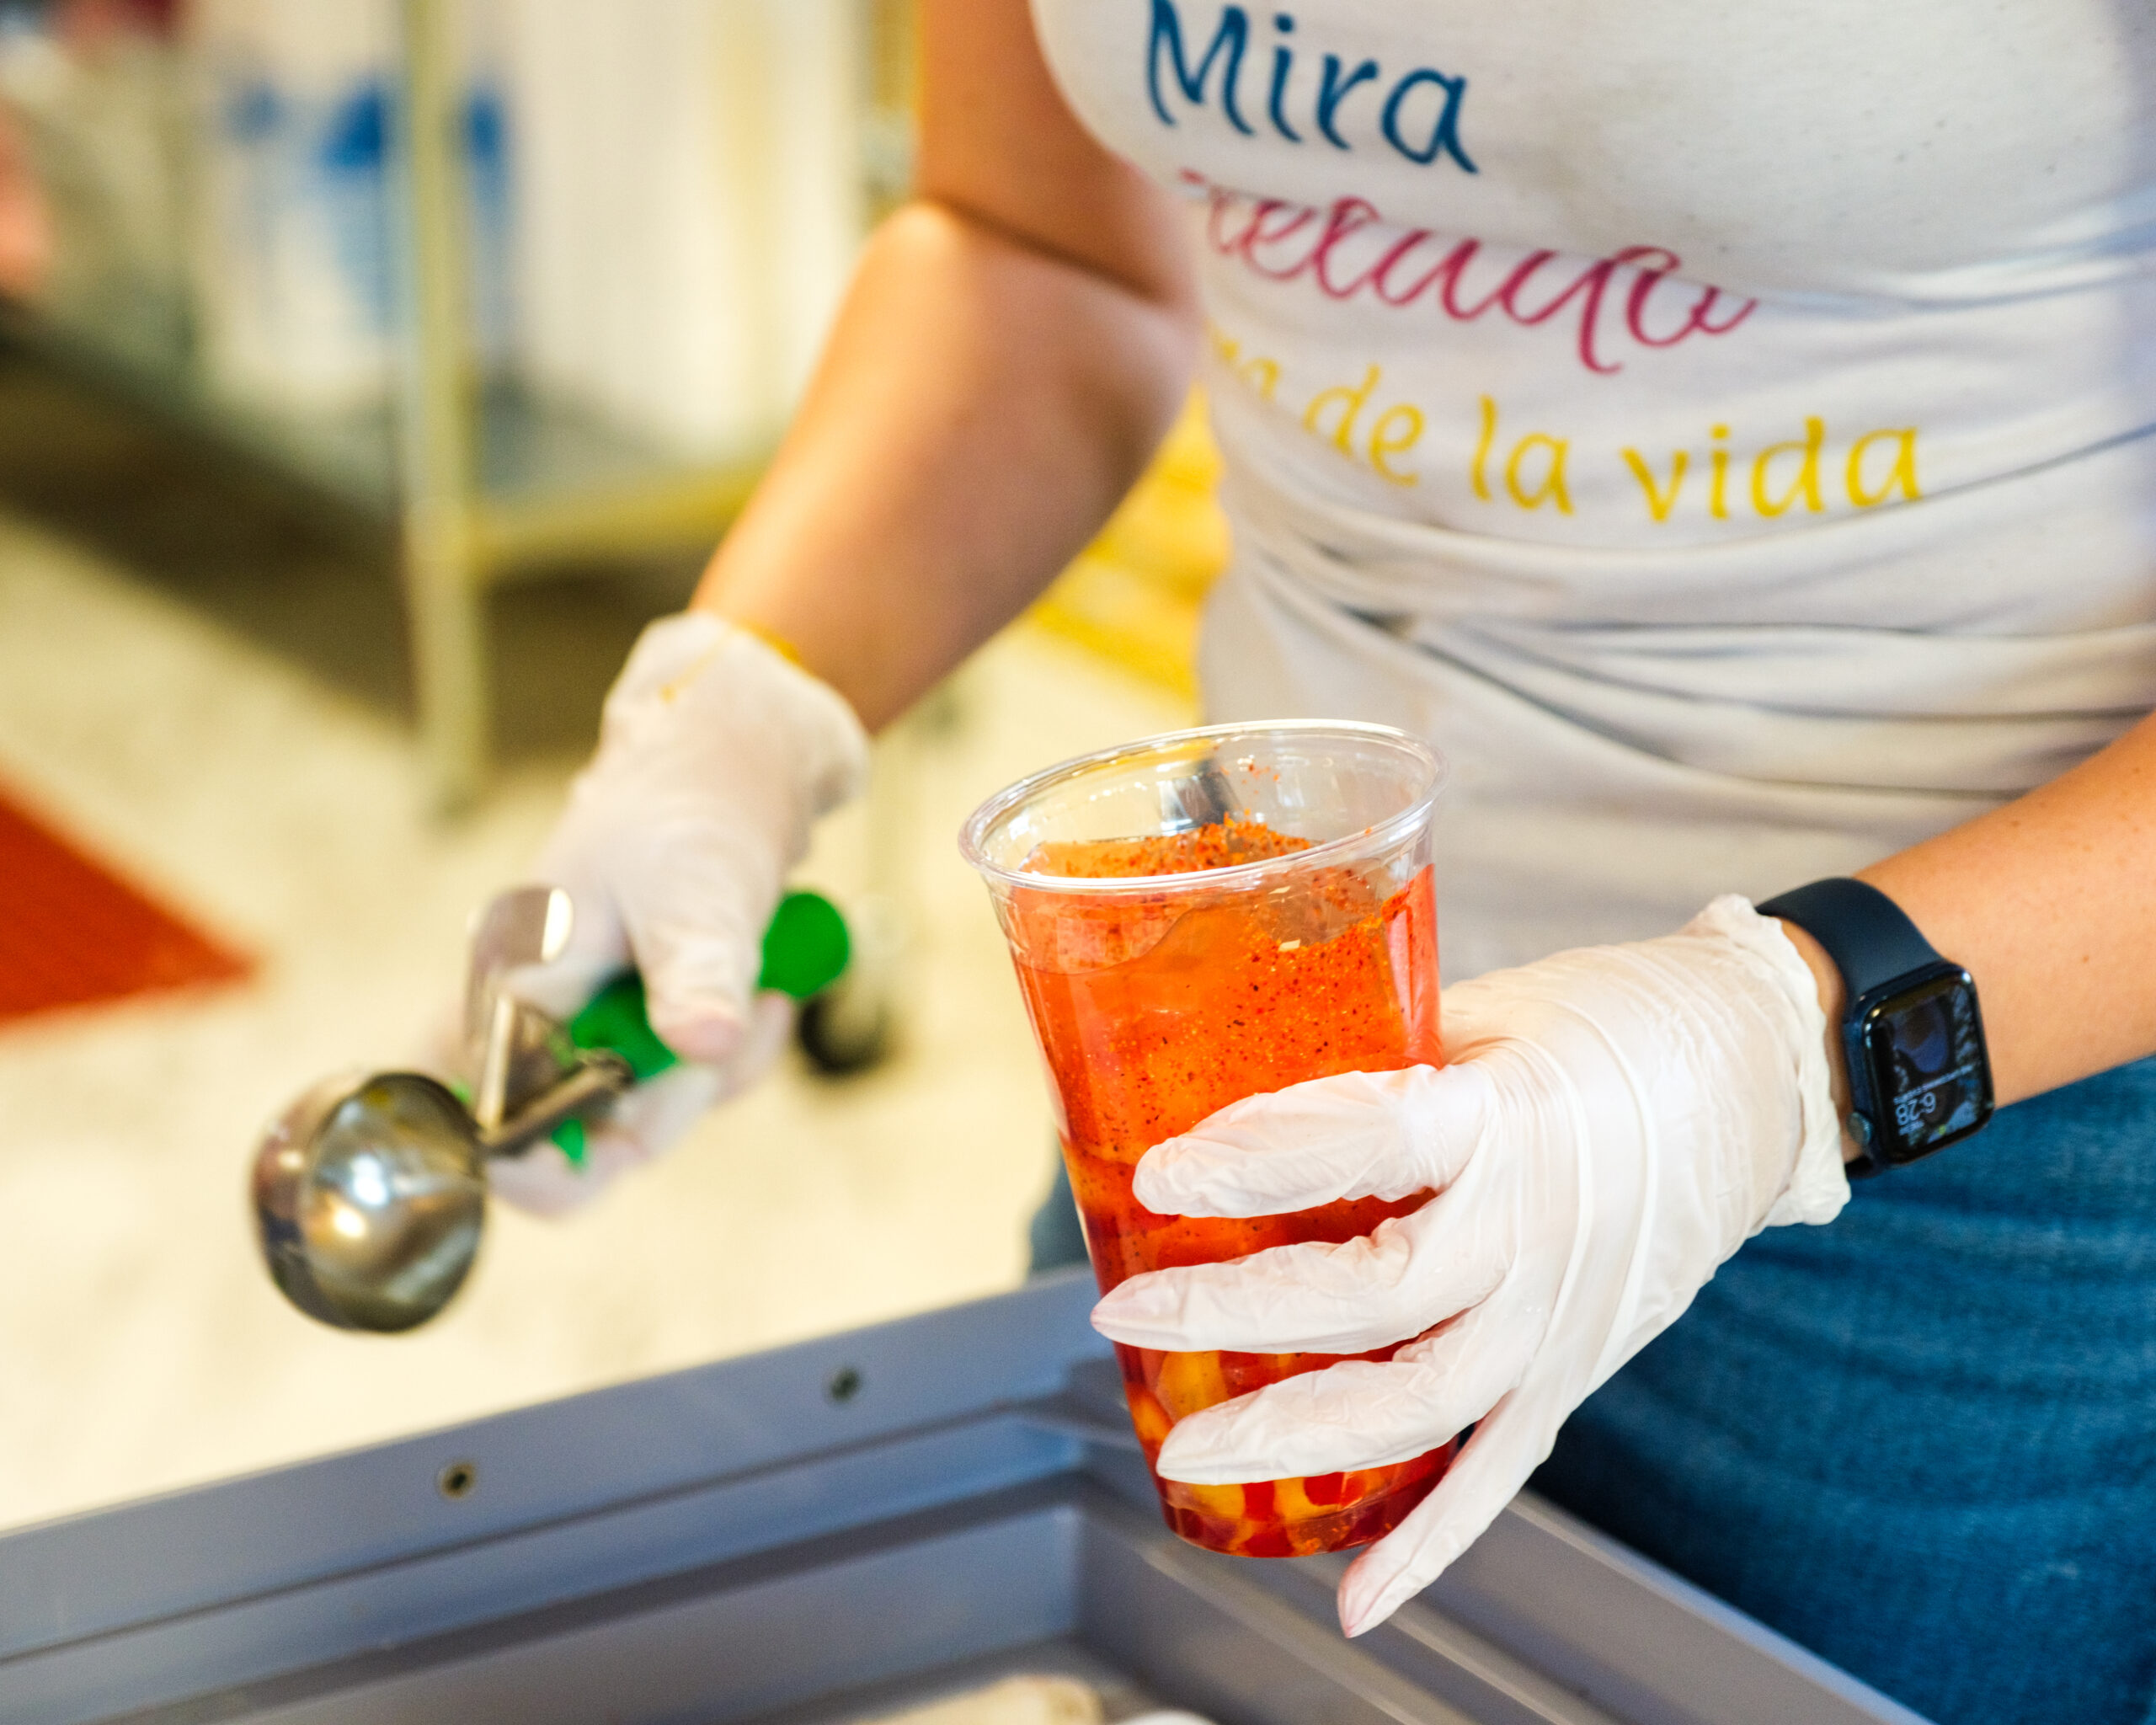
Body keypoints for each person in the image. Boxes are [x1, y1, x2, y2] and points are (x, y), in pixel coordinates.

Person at [489, 5, 2156, 1720]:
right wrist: (739, 708)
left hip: (1965, 1152)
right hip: (1264, 1060)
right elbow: (1038, 247)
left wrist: (1759, 1065)